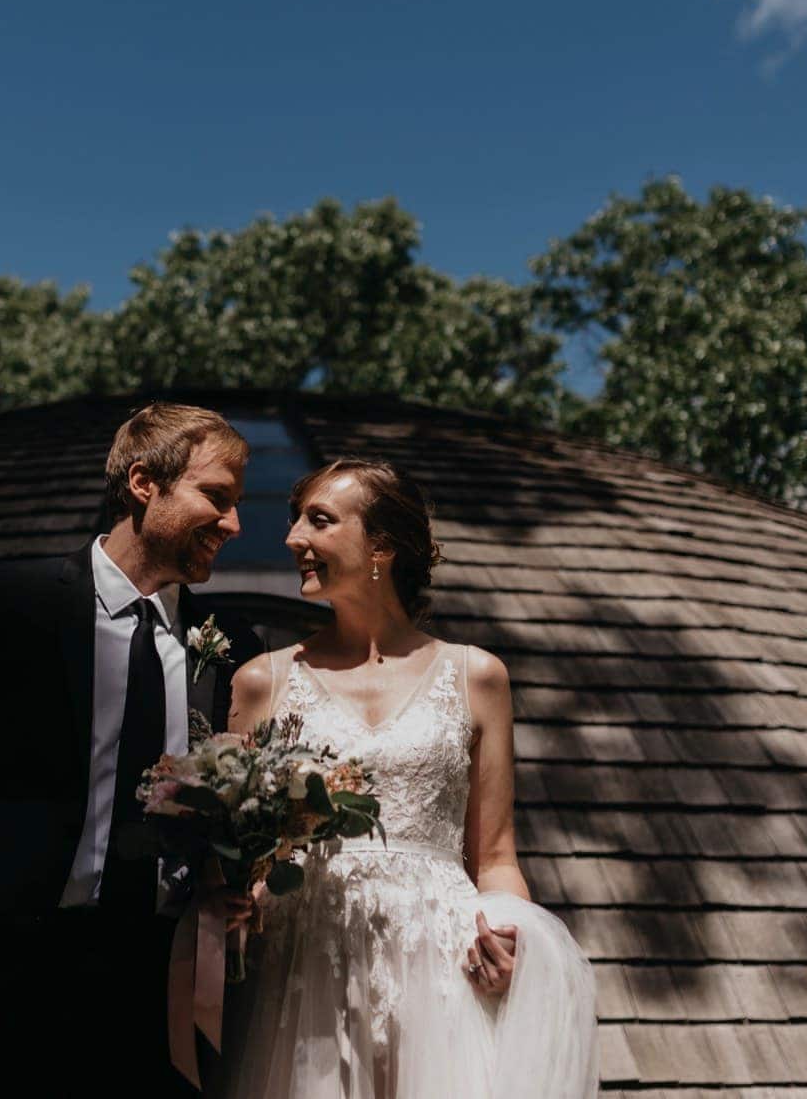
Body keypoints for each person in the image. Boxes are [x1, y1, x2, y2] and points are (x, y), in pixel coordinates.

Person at [0, 401, 267, 1097]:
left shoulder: (230, 647)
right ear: (143, 484)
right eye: (216, 498)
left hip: (158, 1003)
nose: (235, 524)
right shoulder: (5, 605)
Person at [213, 458, 598, 1099]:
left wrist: (510, 940)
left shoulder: (477, 676)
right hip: (304, 970)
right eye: (294, 520)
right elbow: (247, 856)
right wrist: (239, 899)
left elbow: (497, 855)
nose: (291, 540)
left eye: (319, 520)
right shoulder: (262, 681)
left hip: (440, 971)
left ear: (382, 547)